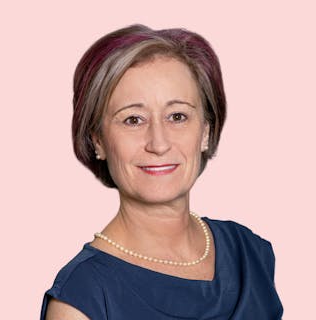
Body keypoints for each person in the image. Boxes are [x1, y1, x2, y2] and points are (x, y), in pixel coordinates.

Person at [40, 24, 283, 319]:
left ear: (206, 131)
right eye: (133, 120)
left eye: (177, 116)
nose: (159, 143)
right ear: (98, 141)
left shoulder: (250, 253)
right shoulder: (81, 300)